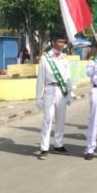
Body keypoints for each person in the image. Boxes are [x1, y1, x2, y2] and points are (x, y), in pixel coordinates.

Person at [35, 31, 73, 160]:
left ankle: (58, 144)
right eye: (60, 42)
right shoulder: (45, 58)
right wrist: (38, 97)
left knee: (61, 119)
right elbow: (40, 79)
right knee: (47, 119)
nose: (62, 44)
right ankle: (44, 147)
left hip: (61, 91)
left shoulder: (64, 58)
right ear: (53, 42)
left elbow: (68, 77)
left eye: (64, 42)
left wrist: (69, 93)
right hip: (49, 90)